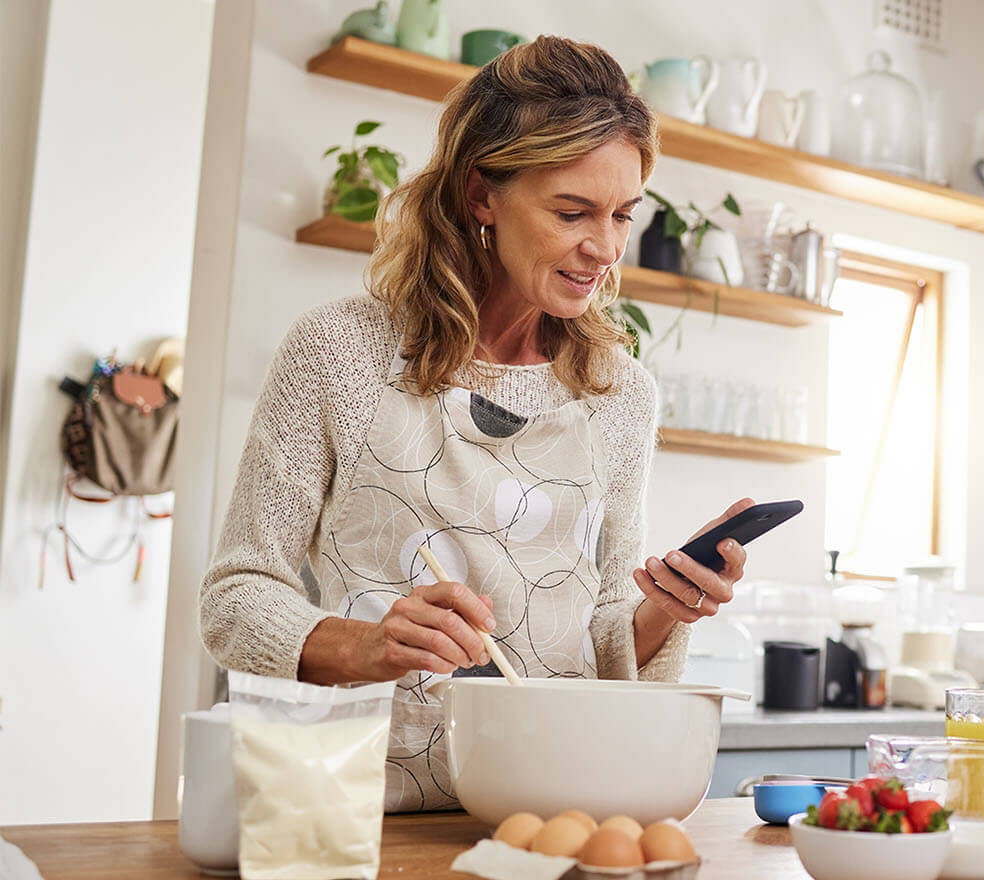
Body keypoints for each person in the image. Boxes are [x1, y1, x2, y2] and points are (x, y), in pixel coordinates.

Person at [200, 35, 750, 812]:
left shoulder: (619, 393)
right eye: (572, 211)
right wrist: (364, 646)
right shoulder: (341, 351)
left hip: (554, 806)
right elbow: (236, 597)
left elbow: (595, 635)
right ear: (479, 194)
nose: (604, 248)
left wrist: (668, 606)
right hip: (355, 809)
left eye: (623, 214)